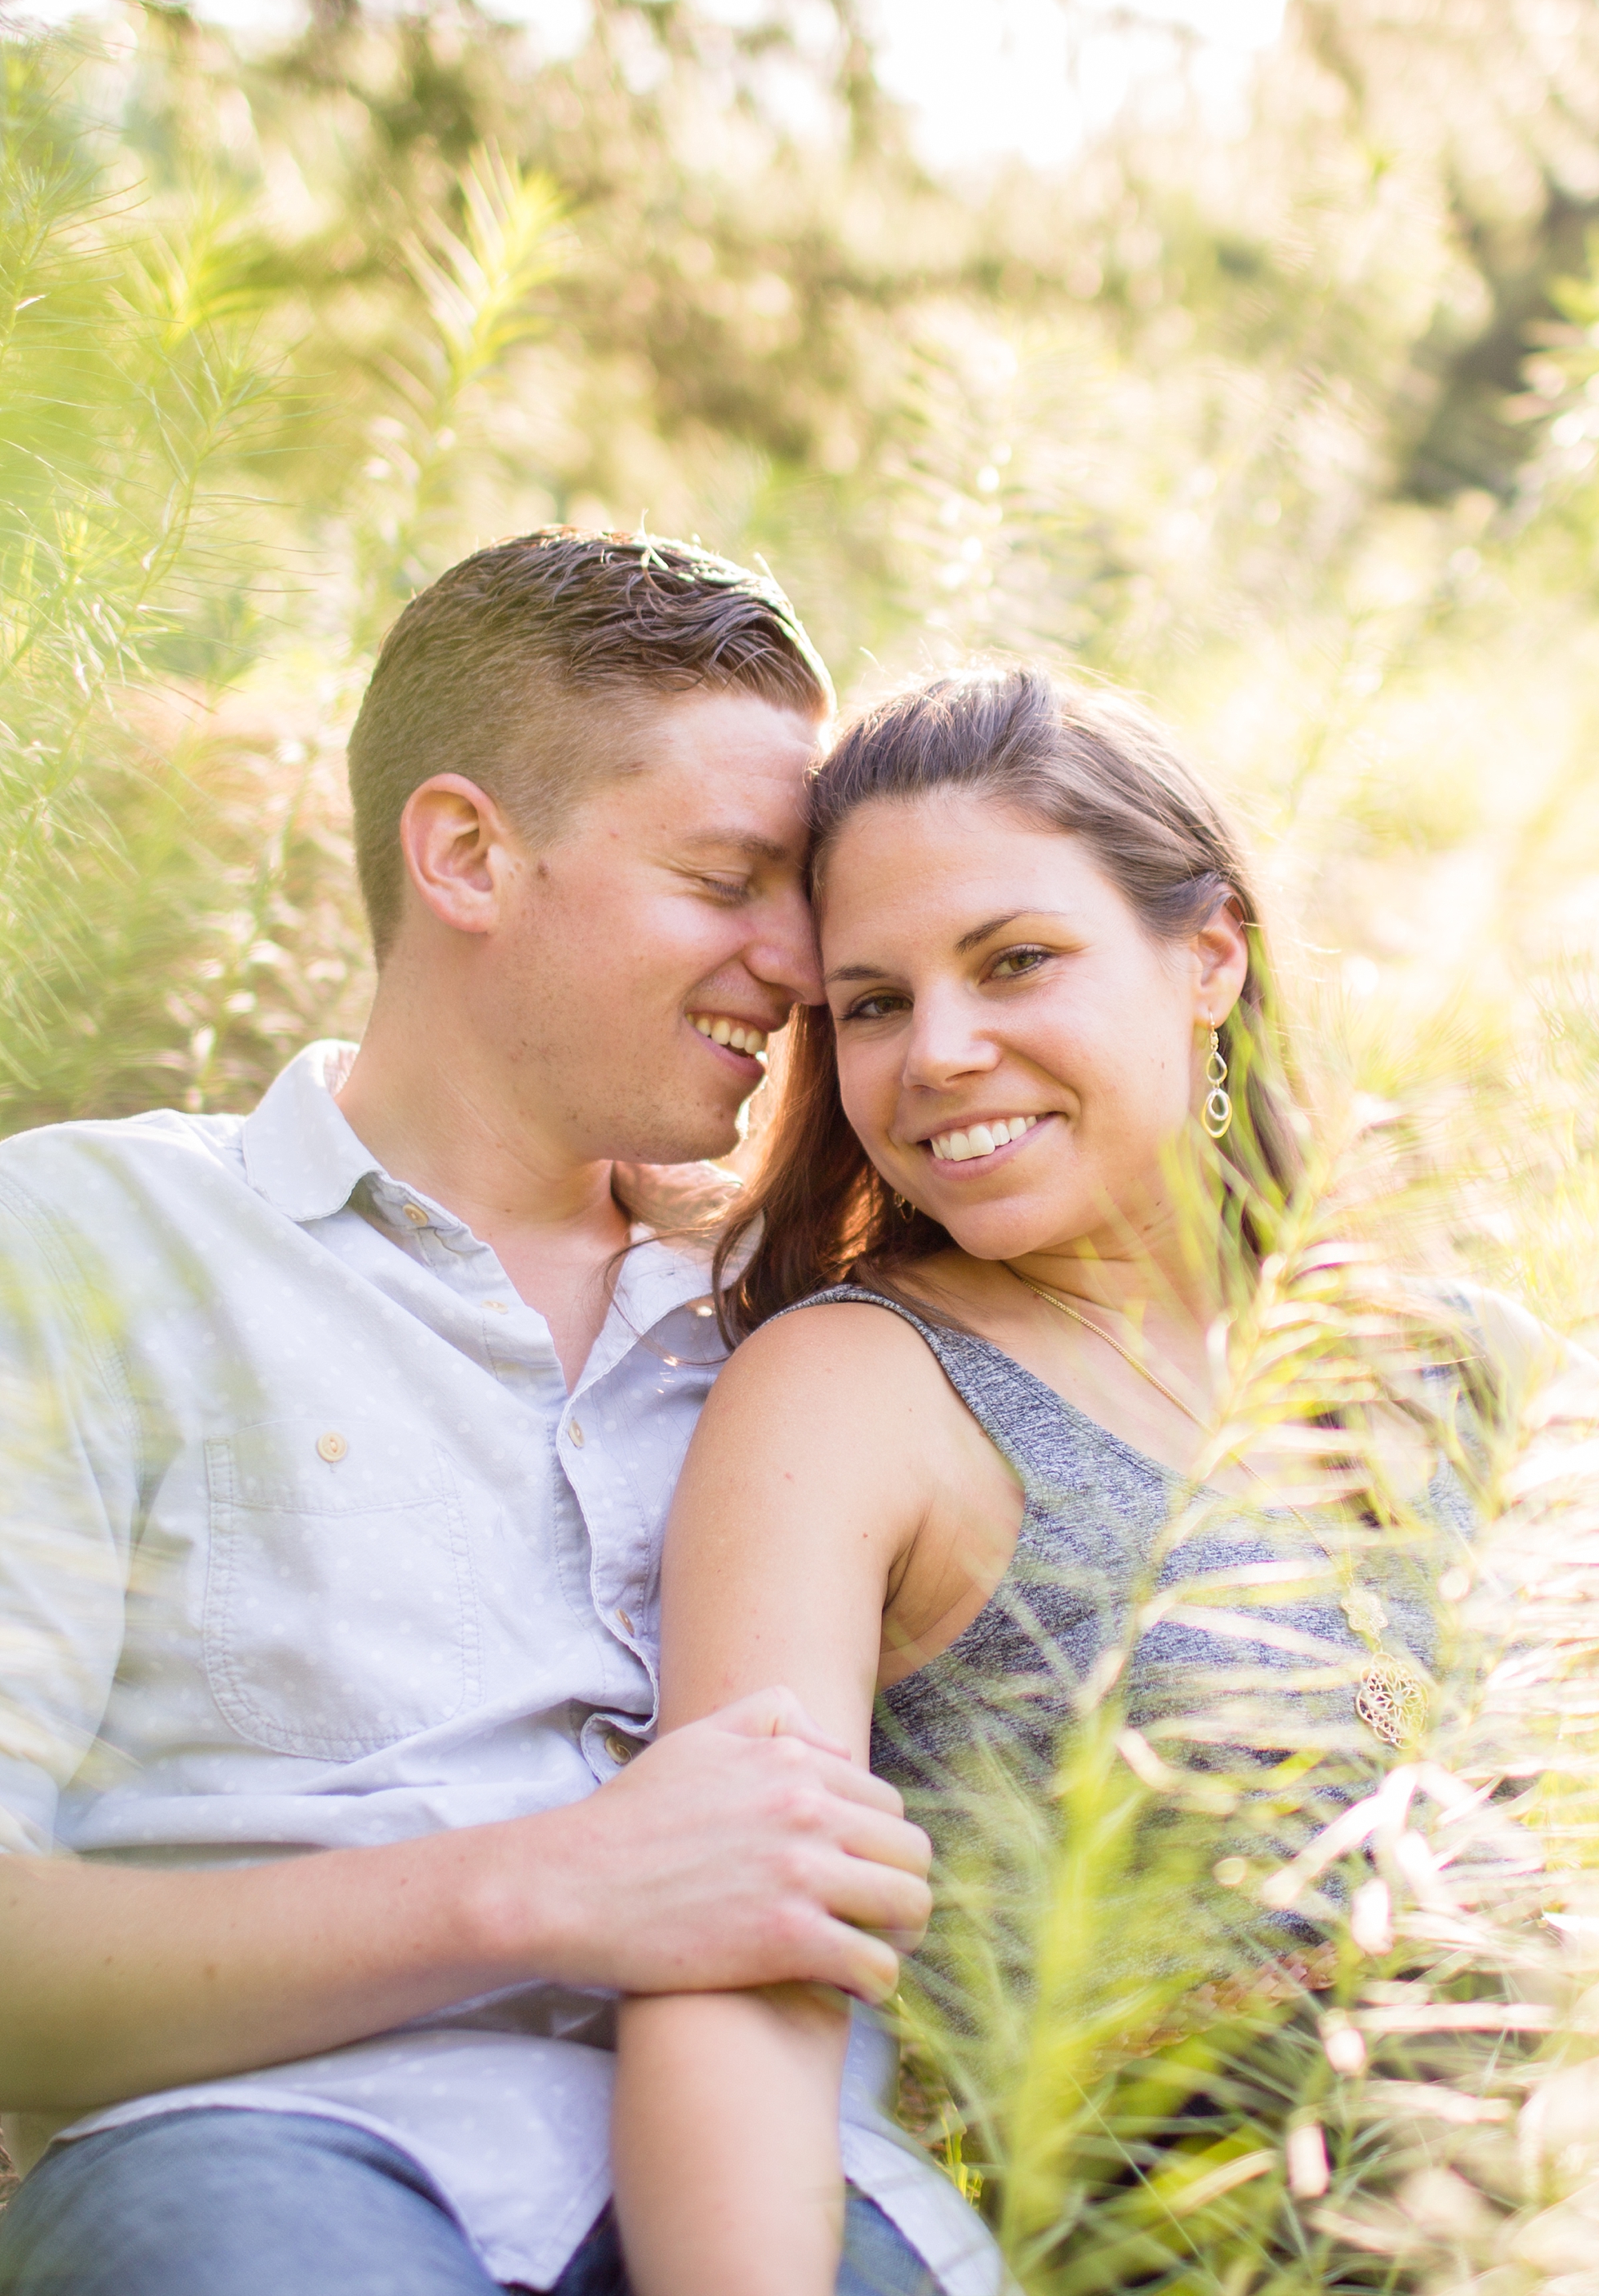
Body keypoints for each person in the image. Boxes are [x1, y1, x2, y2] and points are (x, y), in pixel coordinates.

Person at [0, 532, 977, 2296]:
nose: (798, 961)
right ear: (465, 855)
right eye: (726, 880)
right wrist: (549, 1887)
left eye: (805, 898)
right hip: (268, 2159)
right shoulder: (87, 1246)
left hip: (780, 2185)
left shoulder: (823, 1338)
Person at [611, 663, 1586, 2296]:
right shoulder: (859, 1393)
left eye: (1015, 962)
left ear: (1207, 954)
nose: (940, 1052)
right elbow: (734, 1955)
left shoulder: (1478, 1366)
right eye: (871, 1002)